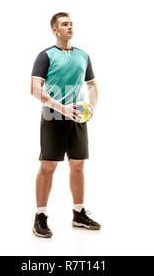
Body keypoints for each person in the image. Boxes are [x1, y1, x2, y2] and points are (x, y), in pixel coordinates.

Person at [30, 12, 101, 238]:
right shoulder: (45, 56)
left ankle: (78, 213)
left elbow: (92, 86)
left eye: (71, 23)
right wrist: (62, 108)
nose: (69, 27)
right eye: (64, 24)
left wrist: (92, 108)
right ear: (55, 30)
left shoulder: (83, 56)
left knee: (78, 165)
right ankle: (40, 216)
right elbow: (34, 89)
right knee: (48, 166)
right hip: (53, 117)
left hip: (77, 119)